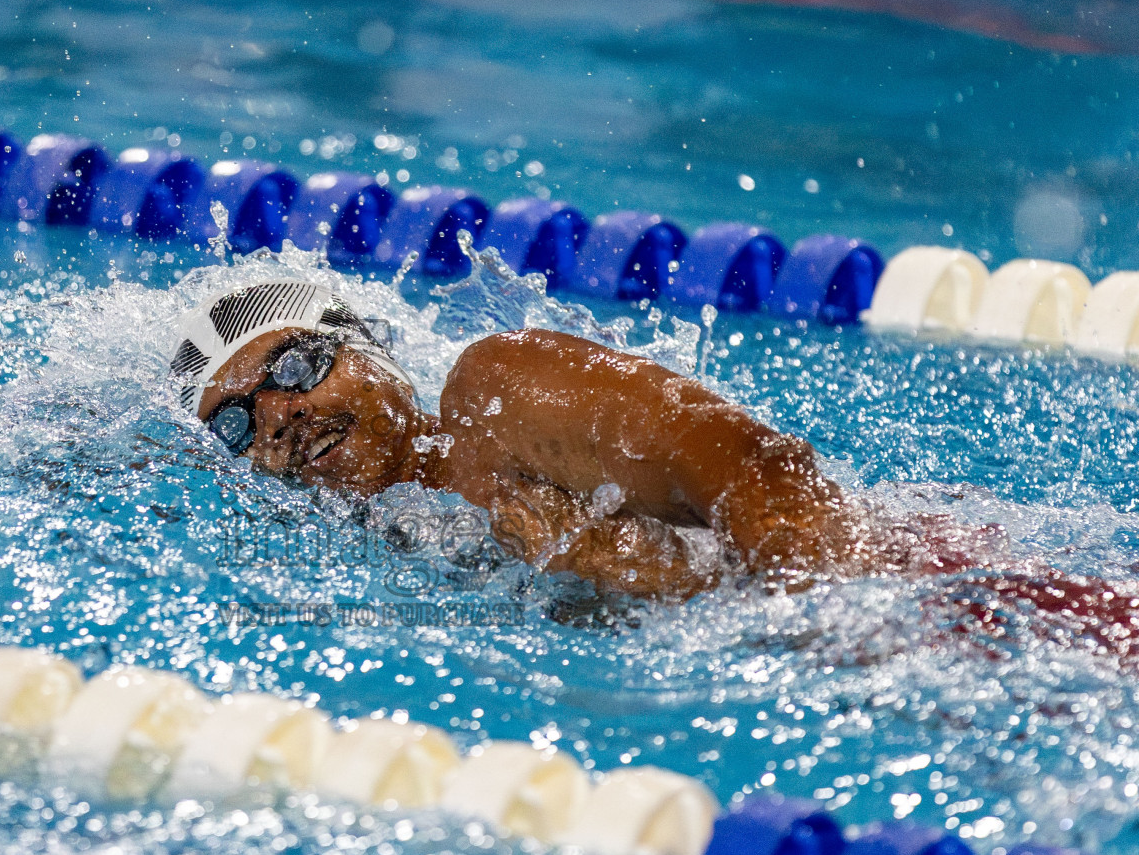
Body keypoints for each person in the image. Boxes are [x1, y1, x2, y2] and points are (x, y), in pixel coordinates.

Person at [172, 278, 1139, 648]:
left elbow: (758, 471)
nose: (283, 417)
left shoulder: (494, 394)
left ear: (372, 345)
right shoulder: (399, 541)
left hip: (960, 597)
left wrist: (843, 624)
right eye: (237, 425)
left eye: (296, 365)